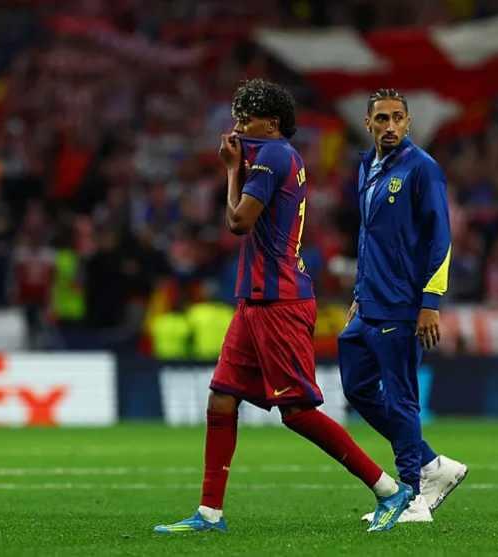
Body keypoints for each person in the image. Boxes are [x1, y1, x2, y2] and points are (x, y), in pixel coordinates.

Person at [154, 79, 412, 535]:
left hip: (280, 301)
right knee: (222, 397)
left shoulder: (273, 156)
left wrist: (230, 171)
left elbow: (238, 221)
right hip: (256, 299)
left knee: (297, 411)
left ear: (271, 123)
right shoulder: (275, 156)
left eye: (246, 119)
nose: (237, 128)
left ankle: (389, 490)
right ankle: (209, 514)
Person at [338, 89, 468, 524]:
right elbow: (369, 237)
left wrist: (430, 302)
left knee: (400, 399)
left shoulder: (423, 168)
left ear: (408, 123)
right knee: (357, 387)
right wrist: (360, 291)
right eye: (382, 119)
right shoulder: (366, 166)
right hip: (369, 302)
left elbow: (441, 238)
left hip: (403, 305)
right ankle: (431, 463)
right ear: (368, 123)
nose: (390, 126)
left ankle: (412, 497)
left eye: (397, 118)